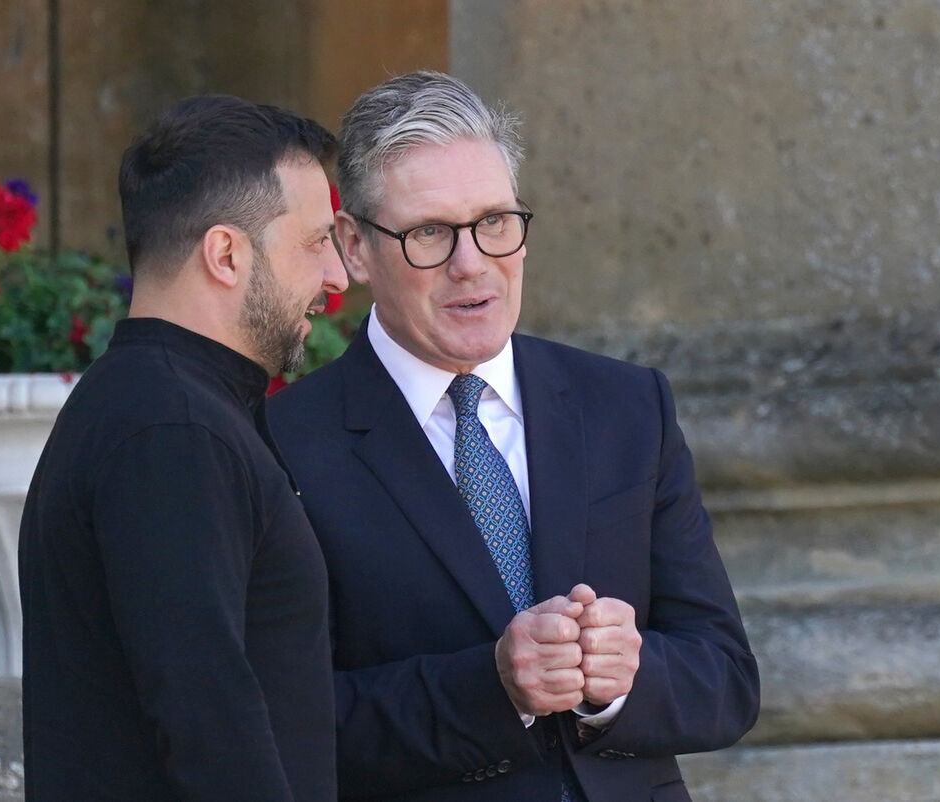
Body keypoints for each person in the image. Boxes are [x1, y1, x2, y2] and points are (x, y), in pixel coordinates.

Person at [267, 71, 759, 801]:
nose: (473, 263)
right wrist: (492, 689)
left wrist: (624, 682)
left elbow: (726, 678)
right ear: (355, 248)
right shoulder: (283, 442)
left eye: (495, 221)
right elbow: (287, 726)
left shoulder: (627, 405)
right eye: (429, 232)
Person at [18, 95, 347, 800]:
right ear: (226, 254)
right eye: (317, 241)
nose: (338, 277)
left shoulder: (167, 411)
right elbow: (207, 719)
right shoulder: (173, 430)